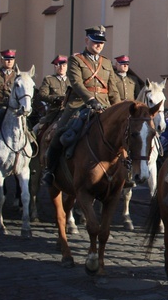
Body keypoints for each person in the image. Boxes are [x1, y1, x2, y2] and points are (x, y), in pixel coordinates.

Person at [41, 25, 121, 186]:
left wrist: (118, 109)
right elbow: (76, 83)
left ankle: (124, 173)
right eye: (95, 41)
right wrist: (90, 99)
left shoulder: (106, 62)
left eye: (101, 42)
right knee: (59, 133)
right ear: (87, 41)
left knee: (123, 135)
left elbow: (113, 89)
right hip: (79, 105)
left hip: (104, 105)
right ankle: (50, 171)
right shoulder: (75, 60)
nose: (99, 45)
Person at [36, 55, 70, 128]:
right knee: (36, 129)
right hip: (54, 112)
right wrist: (56, 99)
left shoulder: (72, 81)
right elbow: (41, 95)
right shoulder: (49, 79)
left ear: (67, 66)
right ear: (55, 66)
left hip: (70, 111)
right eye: (59, 65)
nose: (61, 68)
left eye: (64, 65)